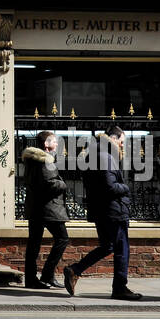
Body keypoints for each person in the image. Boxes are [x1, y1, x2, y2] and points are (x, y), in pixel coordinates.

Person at [64, 125, 141, 300]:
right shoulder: (105, 156)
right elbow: (109, 186)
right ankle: (120, 288)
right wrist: (127, 188)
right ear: (113, 139)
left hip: (102, 210)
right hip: (113, 210)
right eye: (122, 142)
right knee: (122, 249)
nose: (122, 146)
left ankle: (75, 270)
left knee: (108, 246)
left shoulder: (96, 154)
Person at [22, 130, 69, 289]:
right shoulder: (44, 161)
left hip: (35, 208)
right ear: (46, 144)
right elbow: (50, 184)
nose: (56, 144)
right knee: (62, 239)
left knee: (34, 243)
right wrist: (63, 184)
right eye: (54, 141)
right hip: (48, 208)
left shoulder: (32, 160)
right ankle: (47, 274)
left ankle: (30, 279)